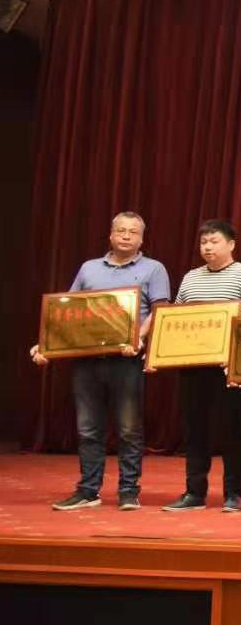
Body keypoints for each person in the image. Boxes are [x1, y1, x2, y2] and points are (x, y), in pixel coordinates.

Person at [32, 212, 170, 511]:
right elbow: (66, 311)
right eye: (120, 230)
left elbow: (160, 309)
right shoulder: (89, 268)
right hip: (87, 361)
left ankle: (128, 491)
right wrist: (46, 346)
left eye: (133, 232)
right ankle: (88, 490)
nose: (126, 236)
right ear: (110, 235)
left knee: (129, 429)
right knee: (88, 429)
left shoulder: (153, 268)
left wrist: (138, 338)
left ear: (142, 239)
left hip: (127, 360)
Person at [161, 219, 241, 513]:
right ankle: (194, 492)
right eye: (204, 242)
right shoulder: (191, 277)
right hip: (193, 365)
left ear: (231, 244)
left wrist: (236, 359)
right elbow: (176, 318)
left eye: (214, 241)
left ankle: (233, 493)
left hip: (228, 366)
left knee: (230, 430)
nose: (207, 247)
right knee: (195, 429)